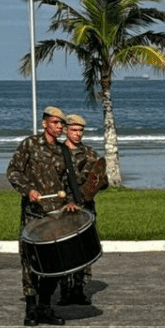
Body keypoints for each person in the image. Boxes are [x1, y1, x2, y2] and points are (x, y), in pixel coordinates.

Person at [6, 106, 71, 326]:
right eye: (55, 123)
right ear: (45, 124)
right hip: (33, 214)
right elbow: (13, 171)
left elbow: (69, 184)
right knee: (30, 261)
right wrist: (28, 190)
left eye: (62, 124)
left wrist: (71, 201)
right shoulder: (29, 145)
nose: (59, 127)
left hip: (56, 216)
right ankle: (31, 310)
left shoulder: (63, 151)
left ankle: (45, 307)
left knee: (56, 263)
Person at [58, 114, 108, 306]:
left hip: (85, 209)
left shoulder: (90, 153)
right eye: (74, 130)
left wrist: (99, 183)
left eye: (80, 130)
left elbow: (101, 182)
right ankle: (64, 291)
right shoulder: (57, 152)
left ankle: (79, 290)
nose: (78, 134)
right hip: (63, 209)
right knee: (63, 251)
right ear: (66, 130)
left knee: (82, 251)